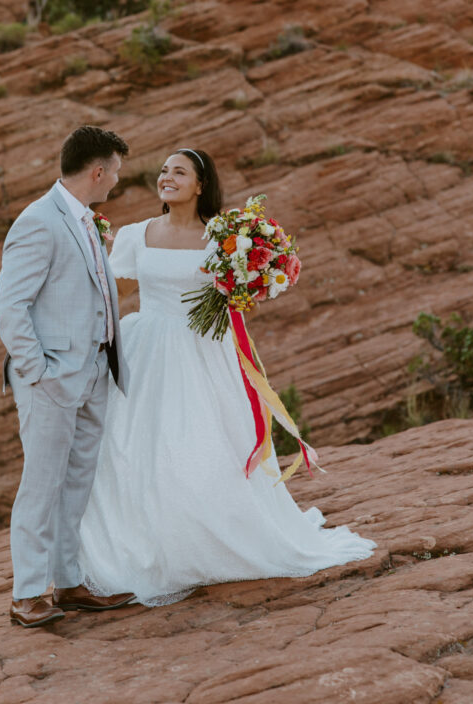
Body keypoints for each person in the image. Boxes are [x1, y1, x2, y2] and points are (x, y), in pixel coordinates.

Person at [78, 148, 376, 605]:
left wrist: (256, 279)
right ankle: (154, 544)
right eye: (163, 171)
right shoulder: (137, 234)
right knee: (137, 449)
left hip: (204, 353)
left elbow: (241, 299)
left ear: (201, 185)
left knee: (203, 443)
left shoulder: (225, 238)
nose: (167, 177)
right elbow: (113, 292)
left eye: (179, 172)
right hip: (148, 350)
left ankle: (213, 536)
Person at [0, 126, 136, 628]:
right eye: (115, 172)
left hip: (95, 371)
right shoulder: (39, 221)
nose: (116, 182)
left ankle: (69, 582)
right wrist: (40, 372)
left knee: (77, 482)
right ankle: (28, 594)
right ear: (98, 171)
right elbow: (10, 307)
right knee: (42, 483)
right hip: (53, 380)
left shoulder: (85, 219)